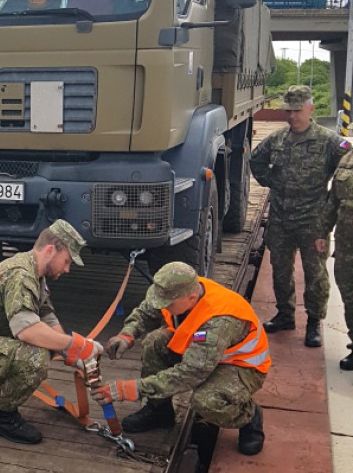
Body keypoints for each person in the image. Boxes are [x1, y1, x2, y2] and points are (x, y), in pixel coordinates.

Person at [0, 219, 104, 445]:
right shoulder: (21, 275)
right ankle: (1, 416)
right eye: (67, 261)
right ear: (50, 250)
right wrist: (78, 345)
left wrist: (72, 355)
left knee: (43, 346)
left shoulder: (35, 273)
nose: (67, 269)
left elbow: (46, 316)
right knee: (35, 358)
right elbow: (27, 331)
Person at [92, 262, 270, 456]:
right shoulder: (176, 291)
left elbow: (190, 374)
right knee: (154, 342)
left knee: (205, 402)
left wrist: (133, 389)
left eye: (167, 304)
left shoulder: (218, 321)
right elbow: (146, 311)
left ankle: (249, 417)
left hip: (240, 366)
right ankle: (159, 411)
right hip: (203, 355)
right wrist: (127, 334)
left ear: (191, 298)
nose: (163, 306)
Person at [250, 85, 348, 347]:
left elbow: (347, 167)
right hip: (281, 218)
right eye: (288, 110)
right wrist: (271, 181)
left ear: (310, 109)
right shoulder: (278, 139)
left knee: (315, 274)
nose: (292, 116)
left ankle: (314, 322)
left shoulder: (329, 141)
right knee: (280, 271)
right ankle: (285, 315)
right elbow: (255, 160)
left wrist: (335, 201)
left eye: (297, 110)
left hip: (313, 221)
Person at [317, 147, 353, 369]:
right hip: (346, 246)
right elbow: (333, 202)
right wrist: (323, 232)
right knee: (349, 295)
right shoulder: (347, 159)